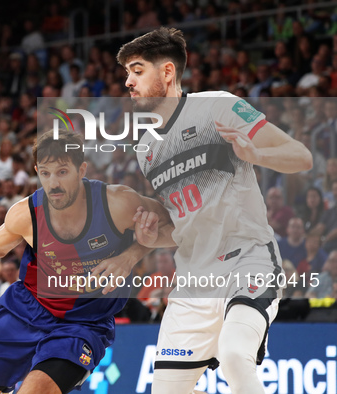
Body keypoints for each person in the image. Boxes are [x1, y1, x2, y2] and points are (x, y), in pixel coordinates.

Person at [118, 27, 312, 393]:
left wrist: (257, 155)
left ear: (168, 72)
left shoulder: (218, 107)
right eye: (127, 73)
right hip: (193, 278)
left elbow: (300, 157)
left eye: (137, 70)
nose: (128, 81)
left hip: (247, 259)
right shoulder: (146, 148)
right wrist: (150, 235)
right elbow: (183, 224)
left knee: (235, 357)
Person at [0, 130, 173, 394]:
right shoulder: (27, 213)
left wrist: (131, 255)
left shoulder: (117, 203)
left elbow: (176, 224)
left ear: (81, 170)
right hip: (25, 310)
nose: (53, 183)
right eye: (45, 173)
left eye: (62, 172)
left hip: (82, 324)